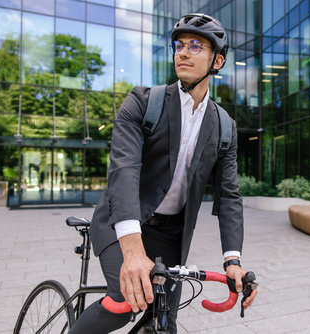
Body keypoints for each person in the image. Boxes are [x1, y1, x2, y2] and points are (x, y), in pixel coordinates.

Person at [68, 13, 257, 334]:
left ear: (218, 61)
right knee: (125, 303)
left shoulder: (225, 126)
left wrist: (233, 261)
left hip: (172, 234)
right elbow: (124, 171)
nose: (182, 52)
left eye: (196, 46)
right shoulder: (143, 103)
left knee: (164, 321)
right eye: (179, 45)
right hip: (123, 223)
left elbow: (229, 197)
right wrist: (132, 251)